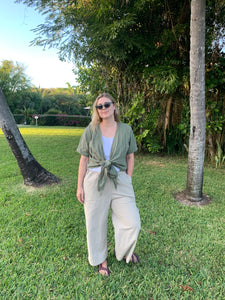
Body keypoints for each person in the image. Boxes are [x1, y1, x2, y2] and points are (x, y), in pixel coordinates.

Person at [76, 93, 141, 276]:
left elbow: (130, 156)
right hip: (94, 181)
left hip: (119, 179)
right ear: (96, 110)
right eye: (99, 106)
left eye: (106, 105)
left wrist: (127, 178)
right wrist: (79, 186)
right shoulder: (91, 130)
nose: (103, 108)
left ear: (114, 106)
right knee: (95, 222)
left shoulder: (126, 129)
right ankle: (100, 259)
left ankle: (123, 251)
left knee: (132, 222)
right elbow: (83, 159)